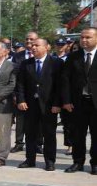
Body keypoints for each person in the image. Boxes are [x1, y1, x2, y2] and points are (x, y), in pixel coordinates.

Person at [15, 38, 63, 171]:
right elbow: (20, 84)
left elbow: (60, 85)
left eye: (37, 45)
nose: (33, 47)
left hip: (49, 105)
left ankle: (50, 161)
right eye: (32, 45)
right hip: (30, 105)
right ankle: (30, 160)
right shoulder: (26, 64)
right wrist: (21, 100)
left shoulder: (56, 63)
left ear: (47, 47)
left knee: (49, 134)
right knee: (30, 133)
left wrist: (57, 103)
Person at [61, 26, 97, 174]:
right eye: (82, 37)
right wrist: (67, 101)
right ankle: (78, 162)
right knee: (77, 135)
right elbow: (65, 80)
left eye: (88, 37)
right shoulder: (73, 56)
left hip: (95, 103)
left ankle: (95, 163)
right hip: (78, 103)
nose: (84, 40)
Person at [11, 32, 38, 153]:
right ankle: (19, 143)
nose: (28, 41)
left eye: (31, 39)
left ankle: (38, 144)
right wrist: (15, 94)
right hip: (21, 92)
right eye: (27, 39)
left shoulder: (44, 55)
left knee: (38, 120)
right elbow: (13, 74)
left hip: (38, 93)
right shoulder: (17, 56)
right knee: (20, 119)